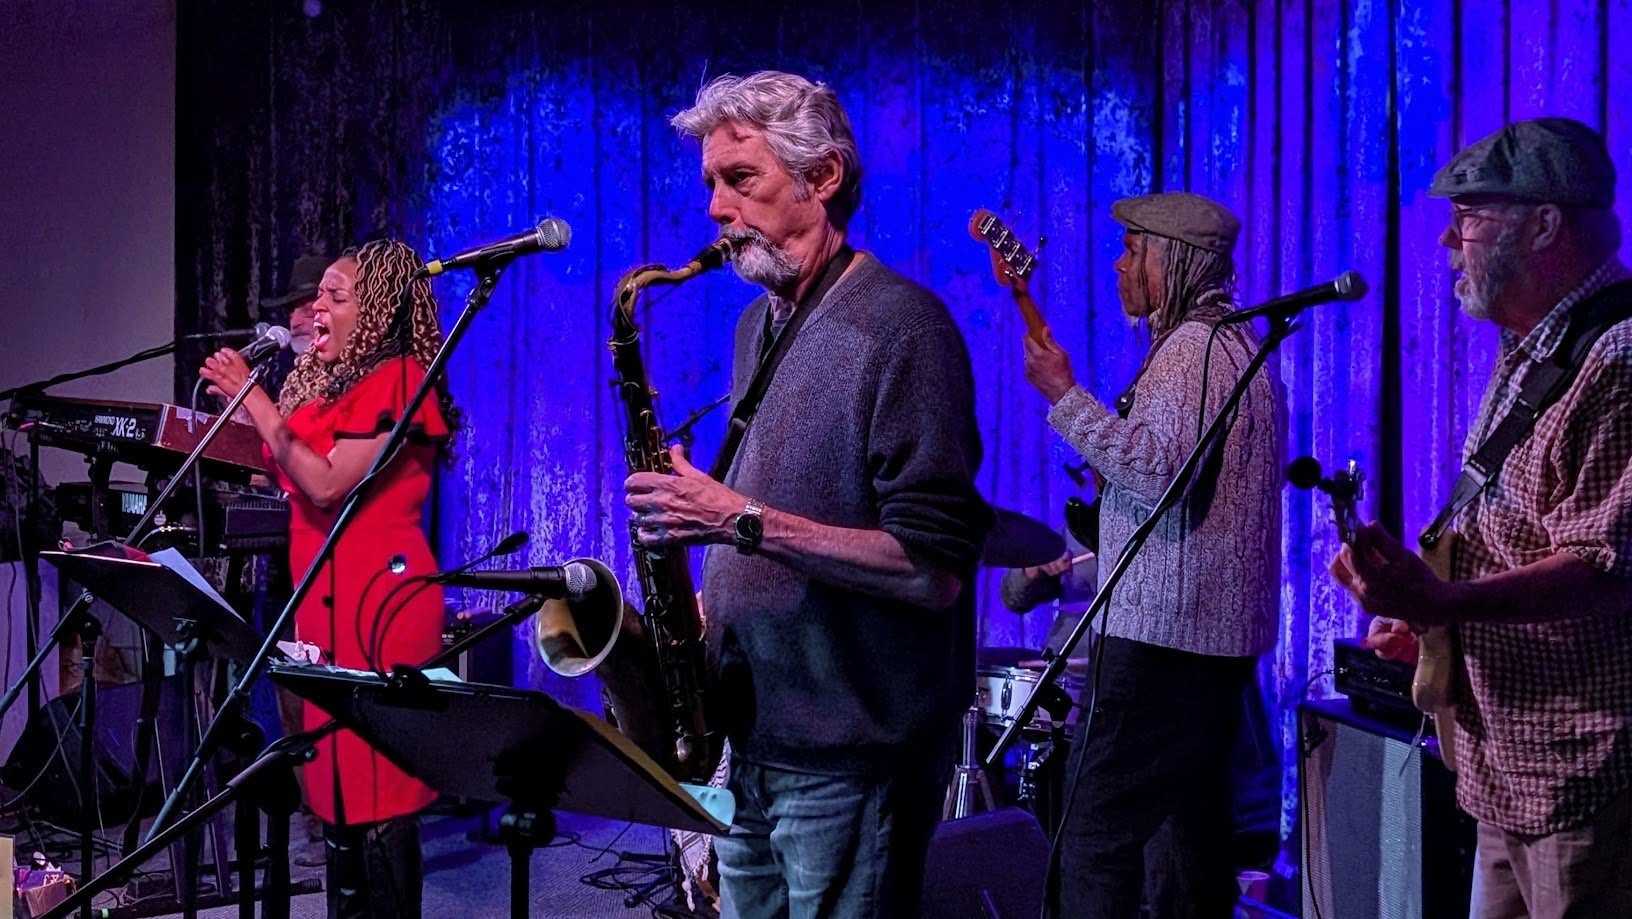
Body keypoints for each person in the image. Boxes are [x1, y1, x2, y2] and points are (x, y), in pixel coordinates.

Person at [624, 70, 991, 919]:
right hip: (754, 738)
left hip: (850, 756)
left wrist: (737, 520)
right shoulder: (757, 323)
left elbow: (932, 568)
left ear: (822, 176)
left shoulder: (905, 329)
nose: (716, 208)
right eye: (711, 182)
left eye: (739, 179)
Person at [1332, 118, 1632, 918]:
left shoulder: (1620, 357)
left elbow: (1604, 567)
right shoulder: (1532, 342)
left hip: (1580, 768)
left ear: (1545, 225)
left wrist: (1447, 601)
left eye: (1468, 217)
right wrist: (1434, 625)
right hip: (1506, 761)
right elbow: (1518, 528)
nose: (1446, 240)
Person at [1022, 191, 1283, 918]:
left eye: (1133, 250)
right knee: (1189, 834)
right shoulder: (1235, 346)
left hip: (1163, 639)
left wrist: (1065, 396)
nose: (1119, 264)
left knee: (1093, 836)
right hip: (1209, 642)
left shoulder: (1192, 351)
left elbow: (1159, 473)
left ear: (1173, 261)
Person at [201, 239, 457, 919]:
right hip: (322, 608)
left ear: (376, 312)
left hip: (381, 607)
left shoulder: (401, 379)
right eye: (318, 296)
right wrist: (244, 414)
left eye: (335, 296)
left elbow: (325, 483)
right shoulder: (323, 389)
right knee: (336, 799)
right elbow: (281, 461)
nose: (316, 307)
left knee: (379, 800)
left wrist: (254, 399)